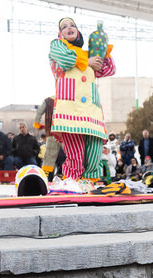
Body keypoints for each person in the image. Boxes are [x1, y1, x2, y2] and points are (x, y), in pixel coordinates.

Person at [49, 17, 116, 180]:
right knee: (75, 157)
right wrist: (88, 62)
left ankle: (90, 185)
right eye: (64, 27)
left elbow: (109, 69)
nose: (69, 27)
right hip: (70, 112)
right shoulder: (57, 46)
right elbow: (66, 60)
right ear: (60, 33)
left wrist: (103, 48)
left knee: (94, 156)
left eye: (72, 25)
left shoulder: (89, 55)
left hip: (92, 114)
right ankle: (72, 185)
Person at [34, 96, 63, 178]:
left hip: (52, 132)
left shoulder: (48, 100)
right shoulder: (69, 98)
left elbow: (39, 112)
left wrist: (37, 123)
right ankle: (74, 176)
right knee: (71, 155)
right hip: (66, 133)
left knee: (49, 157)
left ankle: (46, 177)